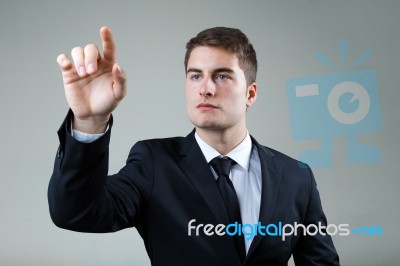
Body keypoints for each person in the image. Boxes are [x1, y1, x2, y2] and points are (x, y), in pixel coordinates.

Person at [48, 26, 340, 266]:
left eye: (222, 76)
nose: (206, 88)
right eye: (195, 75)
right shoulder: (153, 163)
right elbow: (75, 212)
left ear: (250, 93)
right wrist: (89, 121)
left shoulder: (295, 176)